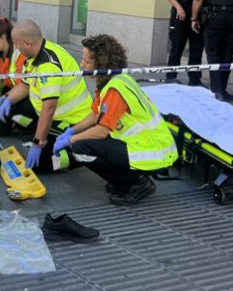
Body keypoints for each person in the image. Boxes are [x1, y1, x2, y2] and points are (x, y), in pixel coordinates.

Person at [52, 35, 177, 205]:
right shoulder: (111, 81)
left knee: (80, 148)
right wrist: (72, 130)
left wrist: (71, 139)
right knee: (86, 142)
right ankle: (125, 180)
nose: (82, 65)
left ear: (101, 64)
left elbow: (101, 131)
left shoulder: (114, 89)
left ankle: (137, 183)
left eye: (87, 61)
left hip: (151, 151)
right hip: (146, 145)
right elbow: (96, 115)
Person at [0, 20, 92, 172]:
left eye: (17, 44)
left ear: (27, 43)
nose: (15, 48)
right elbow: (25, 85)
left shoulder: (48, 66)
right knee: (7, 111)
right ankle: (37, 130)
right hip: (50, 112)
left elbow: (49, 108)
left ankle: (74, 156)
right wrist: (6, 99)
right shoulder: (34, 55)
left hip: (71, 120)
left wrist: (38, 143)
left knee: (39, 164)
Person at [165, 0, 208, 85]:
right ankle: (171, 78)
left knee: (196, 49)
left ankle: (194, 79)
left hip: (197, 19)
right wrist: (178, 8)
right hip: (180, 19)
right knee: (177, 48)